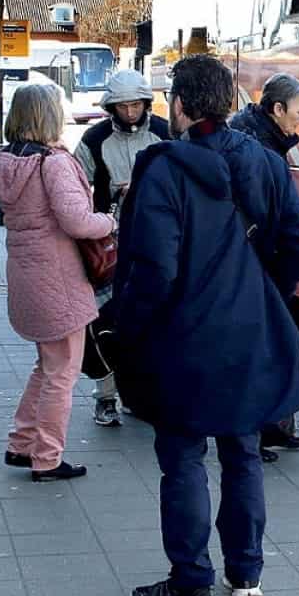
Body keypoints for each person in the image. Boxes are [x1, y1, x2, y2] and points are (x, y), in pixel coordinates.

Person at [113, 55, 299, 596]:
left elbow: (153, 269)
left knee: (181, 456)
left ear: (178, 106)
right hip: (250, 329)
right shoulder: (267, 162)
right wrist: (264, 286)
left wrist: (124, 331)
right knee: (243, 451)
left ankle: (190, 579)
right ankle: (245, 572)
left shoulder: (162, 170)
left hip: (183, 336)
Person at [0, 83, 115, 482]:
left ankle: (21, 443)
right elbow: (78, 221)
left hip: (26, 274)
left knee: (46, 365)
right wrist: (111, 221)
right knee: (63, 371)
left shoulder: (7, 160)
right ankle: (46, 457)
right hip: (58, 280)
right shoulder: (53, 162)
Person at [72, 69, 170, 427]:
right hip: (108, 245)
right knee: (104, 322)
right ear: (111, 107)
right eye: (123, 105)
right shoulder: (94, 139)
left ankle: (140, 392)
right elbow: (76, 186)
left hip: (156, 239)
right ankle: (106, 396)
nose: (130, 111)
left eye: (136, 104)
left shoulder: (164, 132)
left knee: (151, 320)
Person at [227, 72, 299, 457]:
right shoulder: (258, 150)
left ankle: (274, 425)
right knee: (260, 349)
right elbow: (274, 221)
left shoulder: (258, 140)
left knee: (273, 345)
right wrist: (283, 272)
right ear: (277, 109)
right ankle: (257, 430)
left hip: (255, 266)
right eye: (298, 110)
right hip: (258, 267)